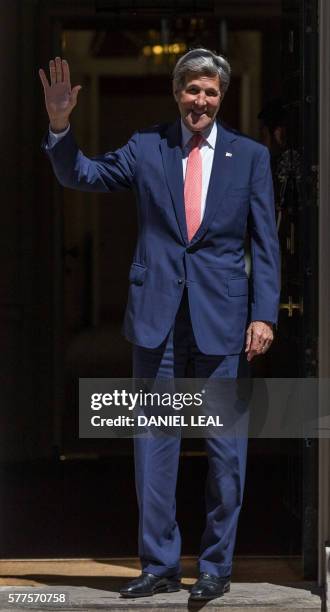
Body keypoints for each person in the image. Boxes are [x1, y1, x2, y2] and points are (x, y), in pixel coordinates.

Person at [39, 48, 280, 601]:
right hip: (158, 324)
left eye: (211, 91)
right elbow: (83, 174)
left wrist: (264, 312)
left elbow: (264, 244)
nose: (201, 101)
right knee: (155, 449)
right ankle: (160, 564)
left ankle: (216, 568)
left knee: (226, 456)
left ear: (222, 96)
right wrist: (59, 126)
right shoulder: (148, 147)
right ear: (177, 93)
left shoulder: (250, 157)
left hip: (223, 323)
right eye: (192, 90)